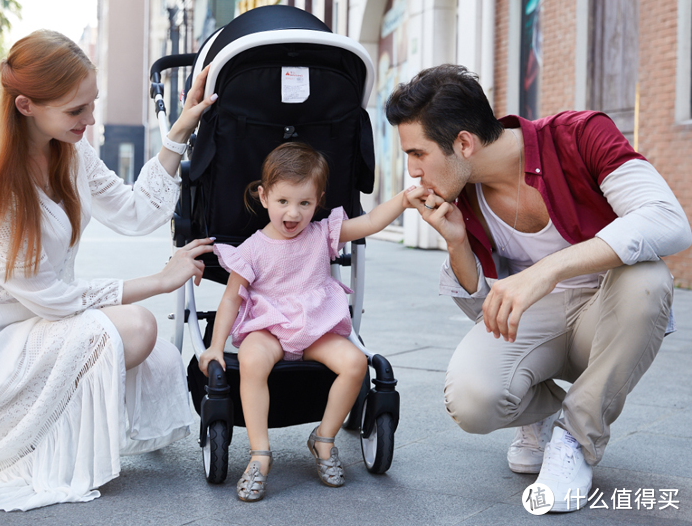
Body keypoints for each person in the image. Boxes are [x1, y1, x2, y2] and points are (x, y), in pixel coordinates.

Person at [0, 30, 217, 511]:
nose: (90, 119)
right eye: (76, 110)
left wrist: (180, 129)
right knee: (139, 327)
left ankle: (54, 427)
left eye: (92, 104)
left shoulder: (70, 148)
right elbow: (52, 297)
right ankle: (29, 437)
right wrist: (161, 280)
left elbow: (136, 210)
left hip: (40, 320)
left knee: (147, 342)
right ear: (25, 106)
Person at [386, 64, 692, 512]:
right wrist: (455, 243)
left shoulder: (580, 135)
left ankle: (575, 439)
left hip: (607, 315)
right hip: (539, 324)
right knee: (471, 401)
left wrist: (547, 269)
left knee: (648, 277)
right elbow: (486, 312)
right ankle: (548, 409)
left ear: (464, 143)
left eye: (418, 153)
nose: (413, 172)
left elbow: (670, 221)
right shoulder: (462, 193)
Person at [198, 142, 416, 502]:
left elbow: (370, 222)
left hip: (315, 326)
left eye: (305, 203)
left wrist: (403, 200)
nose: (294, 213)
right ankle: (260, 454)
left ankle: (324, 439)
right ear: (264, 196)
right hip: (268, 327)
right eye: (283, 201)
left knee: (355, 362)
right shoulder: (252, 248)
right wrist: (216, 347)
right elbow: (230, 299)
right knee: (251, 361)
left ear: (318, 201)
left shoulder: (321, 234)